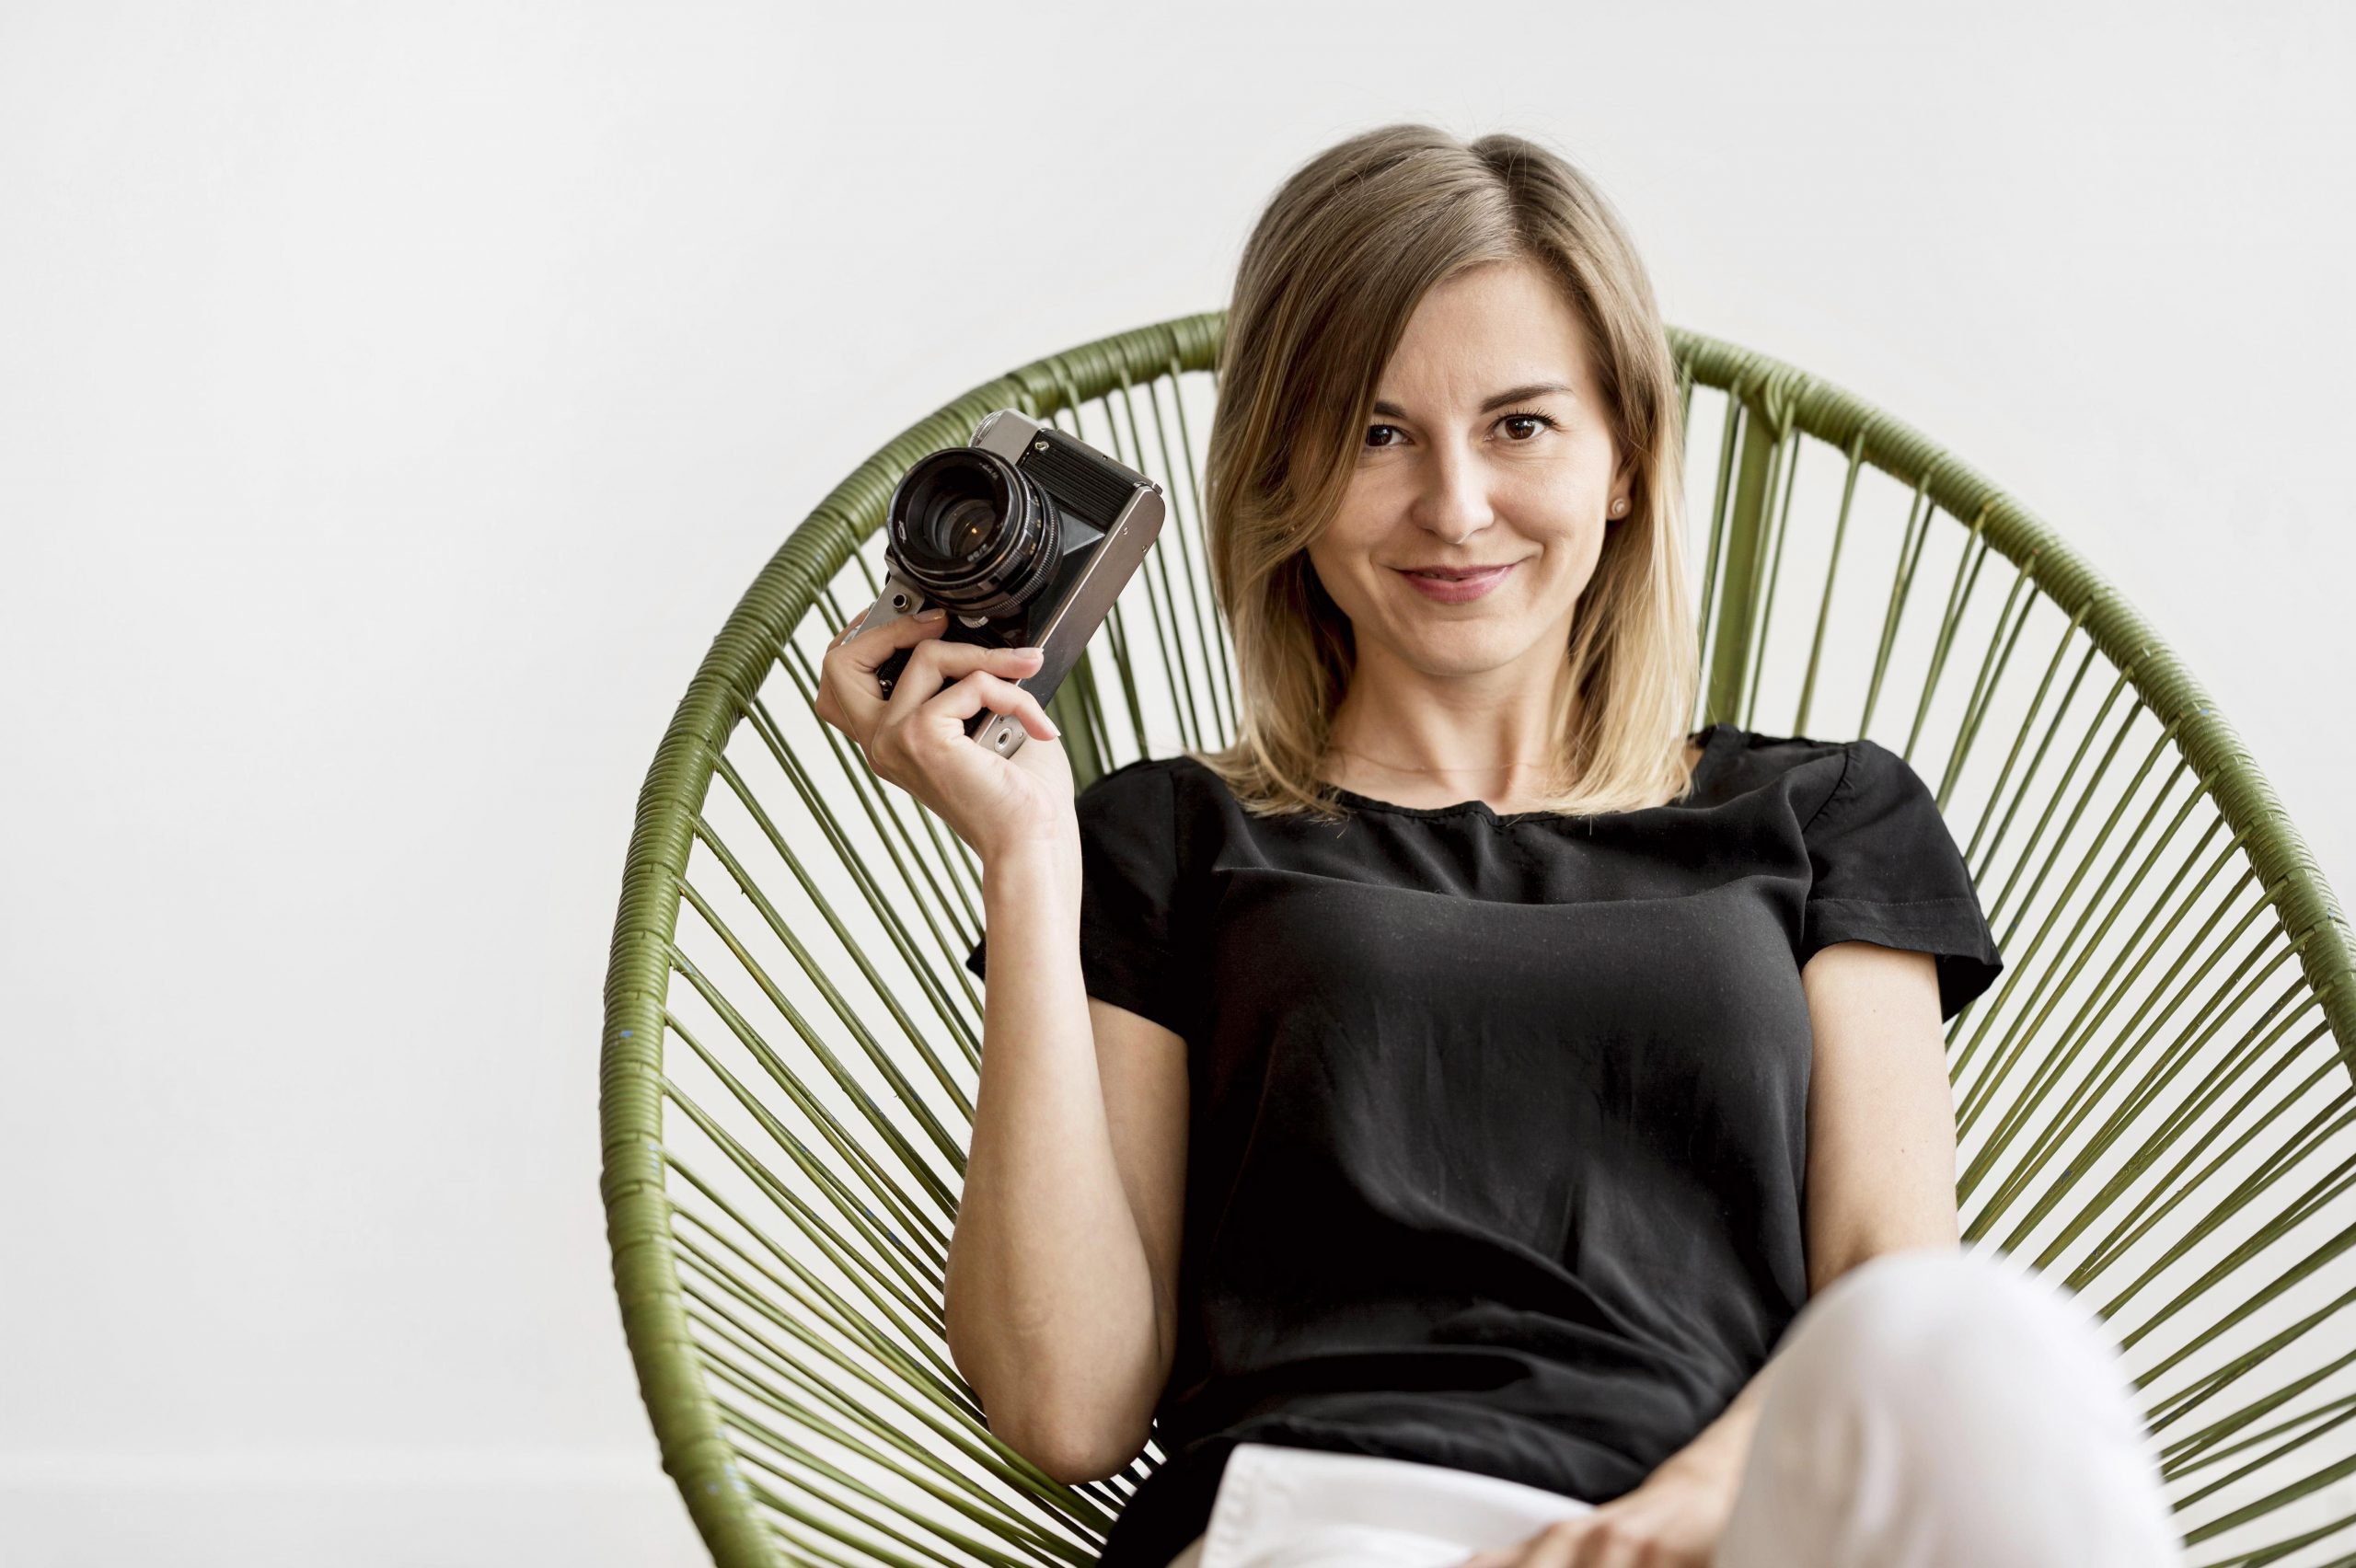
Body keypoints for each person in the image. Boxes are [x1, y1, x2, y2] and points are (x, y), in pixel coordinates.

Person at [813, 123, 2186, 1568]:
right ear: (1288, 471)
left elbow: (1885, 1296)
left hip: (1719, 1533)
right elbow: (1068, 1405)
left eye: (1520, 426)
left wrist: (1681, 1515)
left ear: (1624, 461)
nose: (1454, 508)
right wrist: (1031, 862)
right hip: (1325, 1525)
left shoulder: (1824, 817)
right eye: (1376, 433)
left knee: (1991, 1343)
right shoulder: (1168, 839)